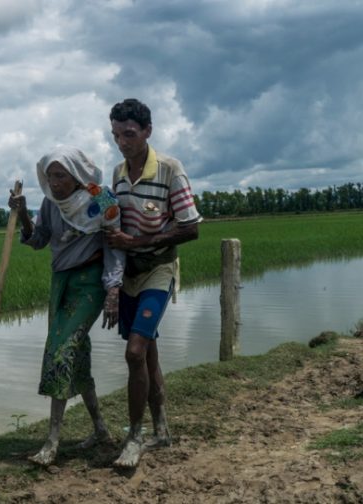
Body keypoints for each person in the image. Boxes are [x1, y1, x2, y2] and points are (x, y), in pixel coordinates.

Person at [8, 145, 126, 466]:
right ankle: (101, 429)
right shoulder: (50, 203)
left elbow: (115, 243)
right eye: (50, 176)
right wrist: (23, 216)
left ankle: (52, 441)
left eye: (60, 175)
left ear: (76, 174)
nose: (55, 182)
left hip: (89, 284)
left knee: (60, 351)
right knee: (78, 356)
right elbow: (39, 240)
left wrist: (114, 287)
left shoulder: (102, 199)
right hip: (61, 284)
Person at [104, 98, 202, 468]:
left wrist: (139, 243)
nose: (122, 142)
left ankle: (134, 437)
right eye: (115, 135)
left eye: (128, 134)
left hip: (159, 269)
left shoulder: (169, 170)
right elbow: (113, 226)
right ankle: (162, 427)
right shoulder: (116, 174)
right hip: (128, 274)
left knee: (134, 352)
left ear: (147, 132)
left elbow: (190, 229)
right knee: (148, 353)